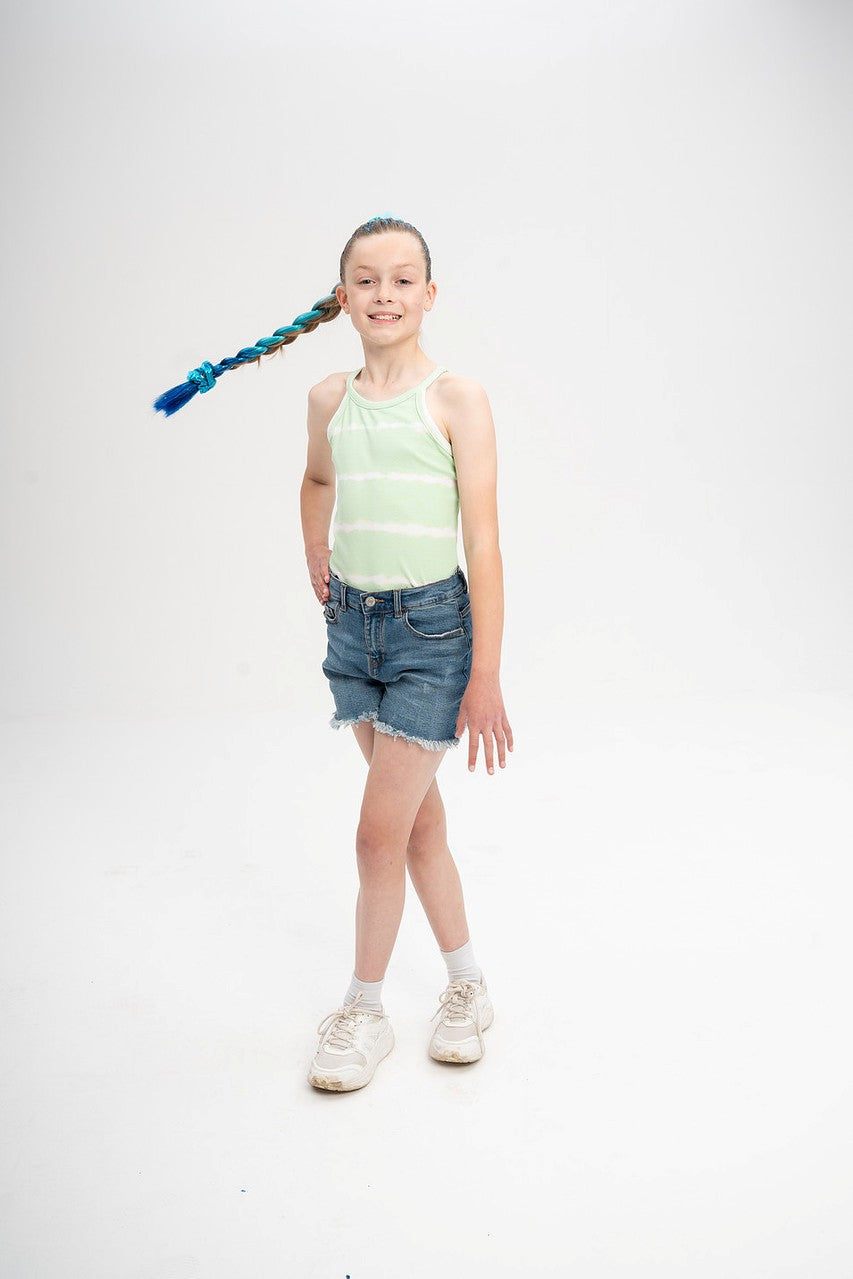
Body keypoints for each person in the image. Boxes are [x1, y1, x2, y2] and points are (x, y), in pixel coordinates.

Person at [153, 213, 513, 1092]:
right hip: (354, 632)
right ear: (342, 296)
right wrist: (315, 546)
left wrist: (485, 676)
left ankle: (363, 1008)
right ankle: (468, 985)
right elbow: (318, 478)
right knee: (417, 827)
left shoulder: (455, 399)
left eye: (402, 279)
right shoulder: (328, 398)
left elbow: (483, 538)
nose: (384, 293)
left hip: (433, 636)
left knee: (375, 833)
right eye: (366, 279)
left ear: (429, 295)